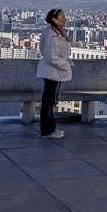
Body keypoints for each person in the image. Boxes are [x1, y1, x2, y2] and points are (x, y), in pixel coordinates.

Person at [36, 8, 72, 139]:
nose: (64, 19)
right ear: (54, 19)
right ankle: (46, 130)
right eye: (61, 17)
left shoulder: (56, 32)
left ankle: (50, 128)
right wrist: (65, 65)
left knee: (51, 101)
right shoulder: (51, 34)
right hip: (52, 71)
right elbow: (51, 56)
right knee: (48, 101)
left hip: (54, 71)